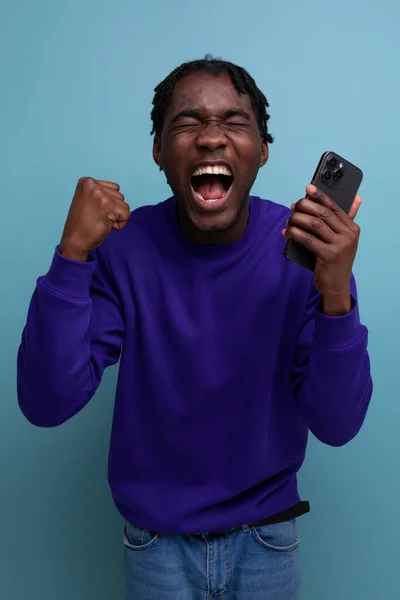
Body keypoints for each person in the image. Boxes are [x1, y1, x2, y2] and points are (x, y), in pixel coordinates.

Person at [17, 56, 373, 600]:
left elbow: (338, 423)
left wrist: (335, 292)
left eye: (235, 123)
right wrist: (71, 255)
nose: (212, 139)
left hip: (268, 539)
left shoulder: (309, 256)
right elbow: (46, 402)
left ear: (262, 149)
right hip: (157, 544)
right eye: (187, 123)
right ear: (159, 151)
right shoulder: (124, 247)